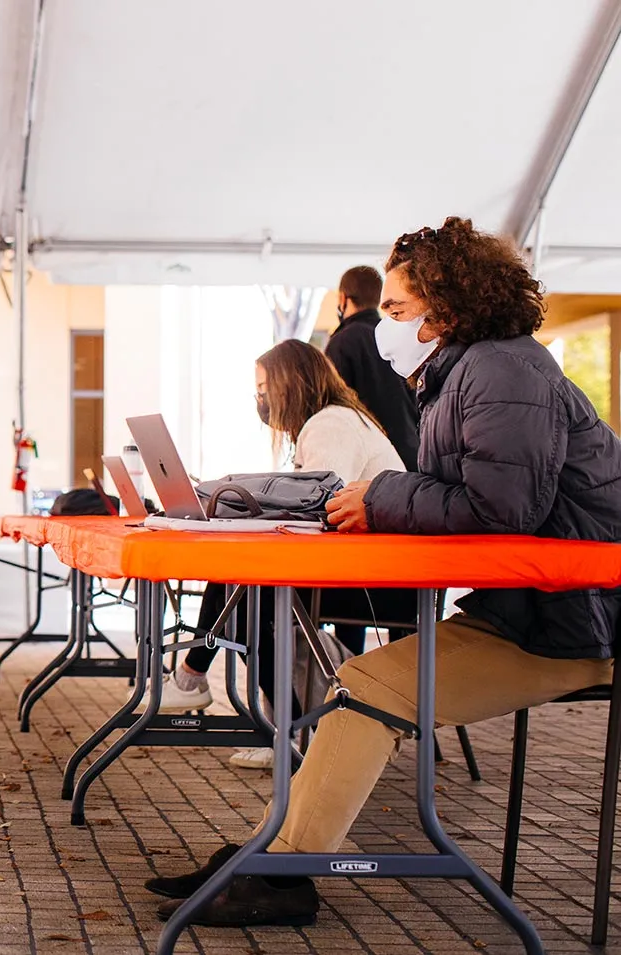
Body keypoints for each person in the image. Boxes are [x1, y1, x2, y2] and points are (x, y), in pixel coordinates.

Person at [149, 218, 620, 929]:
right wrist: (388, 500)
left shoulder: (500, 373)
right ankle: (278, 852)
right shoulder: (472, 371)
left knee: (367, 685)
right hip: (539, 614)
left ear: (449, 309)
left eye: (397, 311)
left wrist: (381, 496)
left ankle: (287, 869)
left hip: (579, 628)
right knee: (359, 682)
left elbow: (502, 507)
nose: (384, 328)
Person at [157, 340, 414, 769]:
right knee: (243, 586)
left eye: (264, 388)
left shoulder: (329, 425)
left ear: (290, 385)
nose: (261, 400)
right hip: (375, 570)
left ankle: (259, 714)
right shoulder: (334, 421)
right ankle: (246, 705)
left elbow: (317, 511)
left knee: (245, 592)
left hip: (376, 581)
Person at [324, 265, 420, 471]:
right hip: (413, 454)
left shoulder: (341, 343)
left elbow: (333, 409)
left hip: (371, 464)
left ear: (342, 298)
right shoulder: (399, 337)